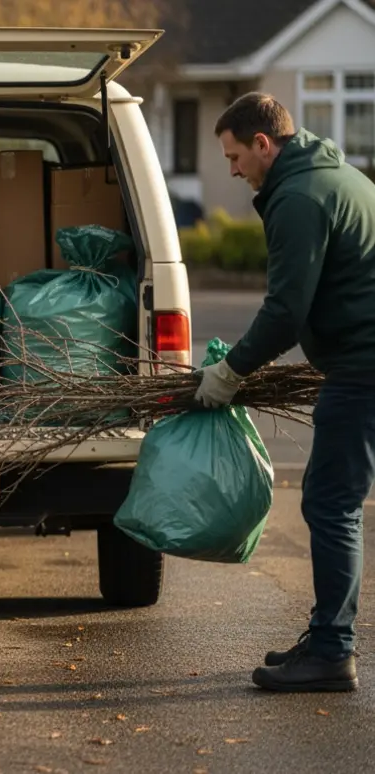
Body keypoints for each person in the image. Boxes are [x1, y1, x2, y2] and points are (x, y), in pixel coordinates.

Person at [195, 92, 375, 692]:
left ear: (264, 145)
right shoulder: (341, 176)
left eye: (235, 155)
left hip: (363, 364)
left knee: (330, 502)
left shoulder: (298, 197)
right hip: (359, 358)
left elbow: (284, 312)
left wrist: (230, 374)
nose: (233, 170)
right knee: (335, 500)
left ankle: (331, 652)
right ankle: (328, 635)